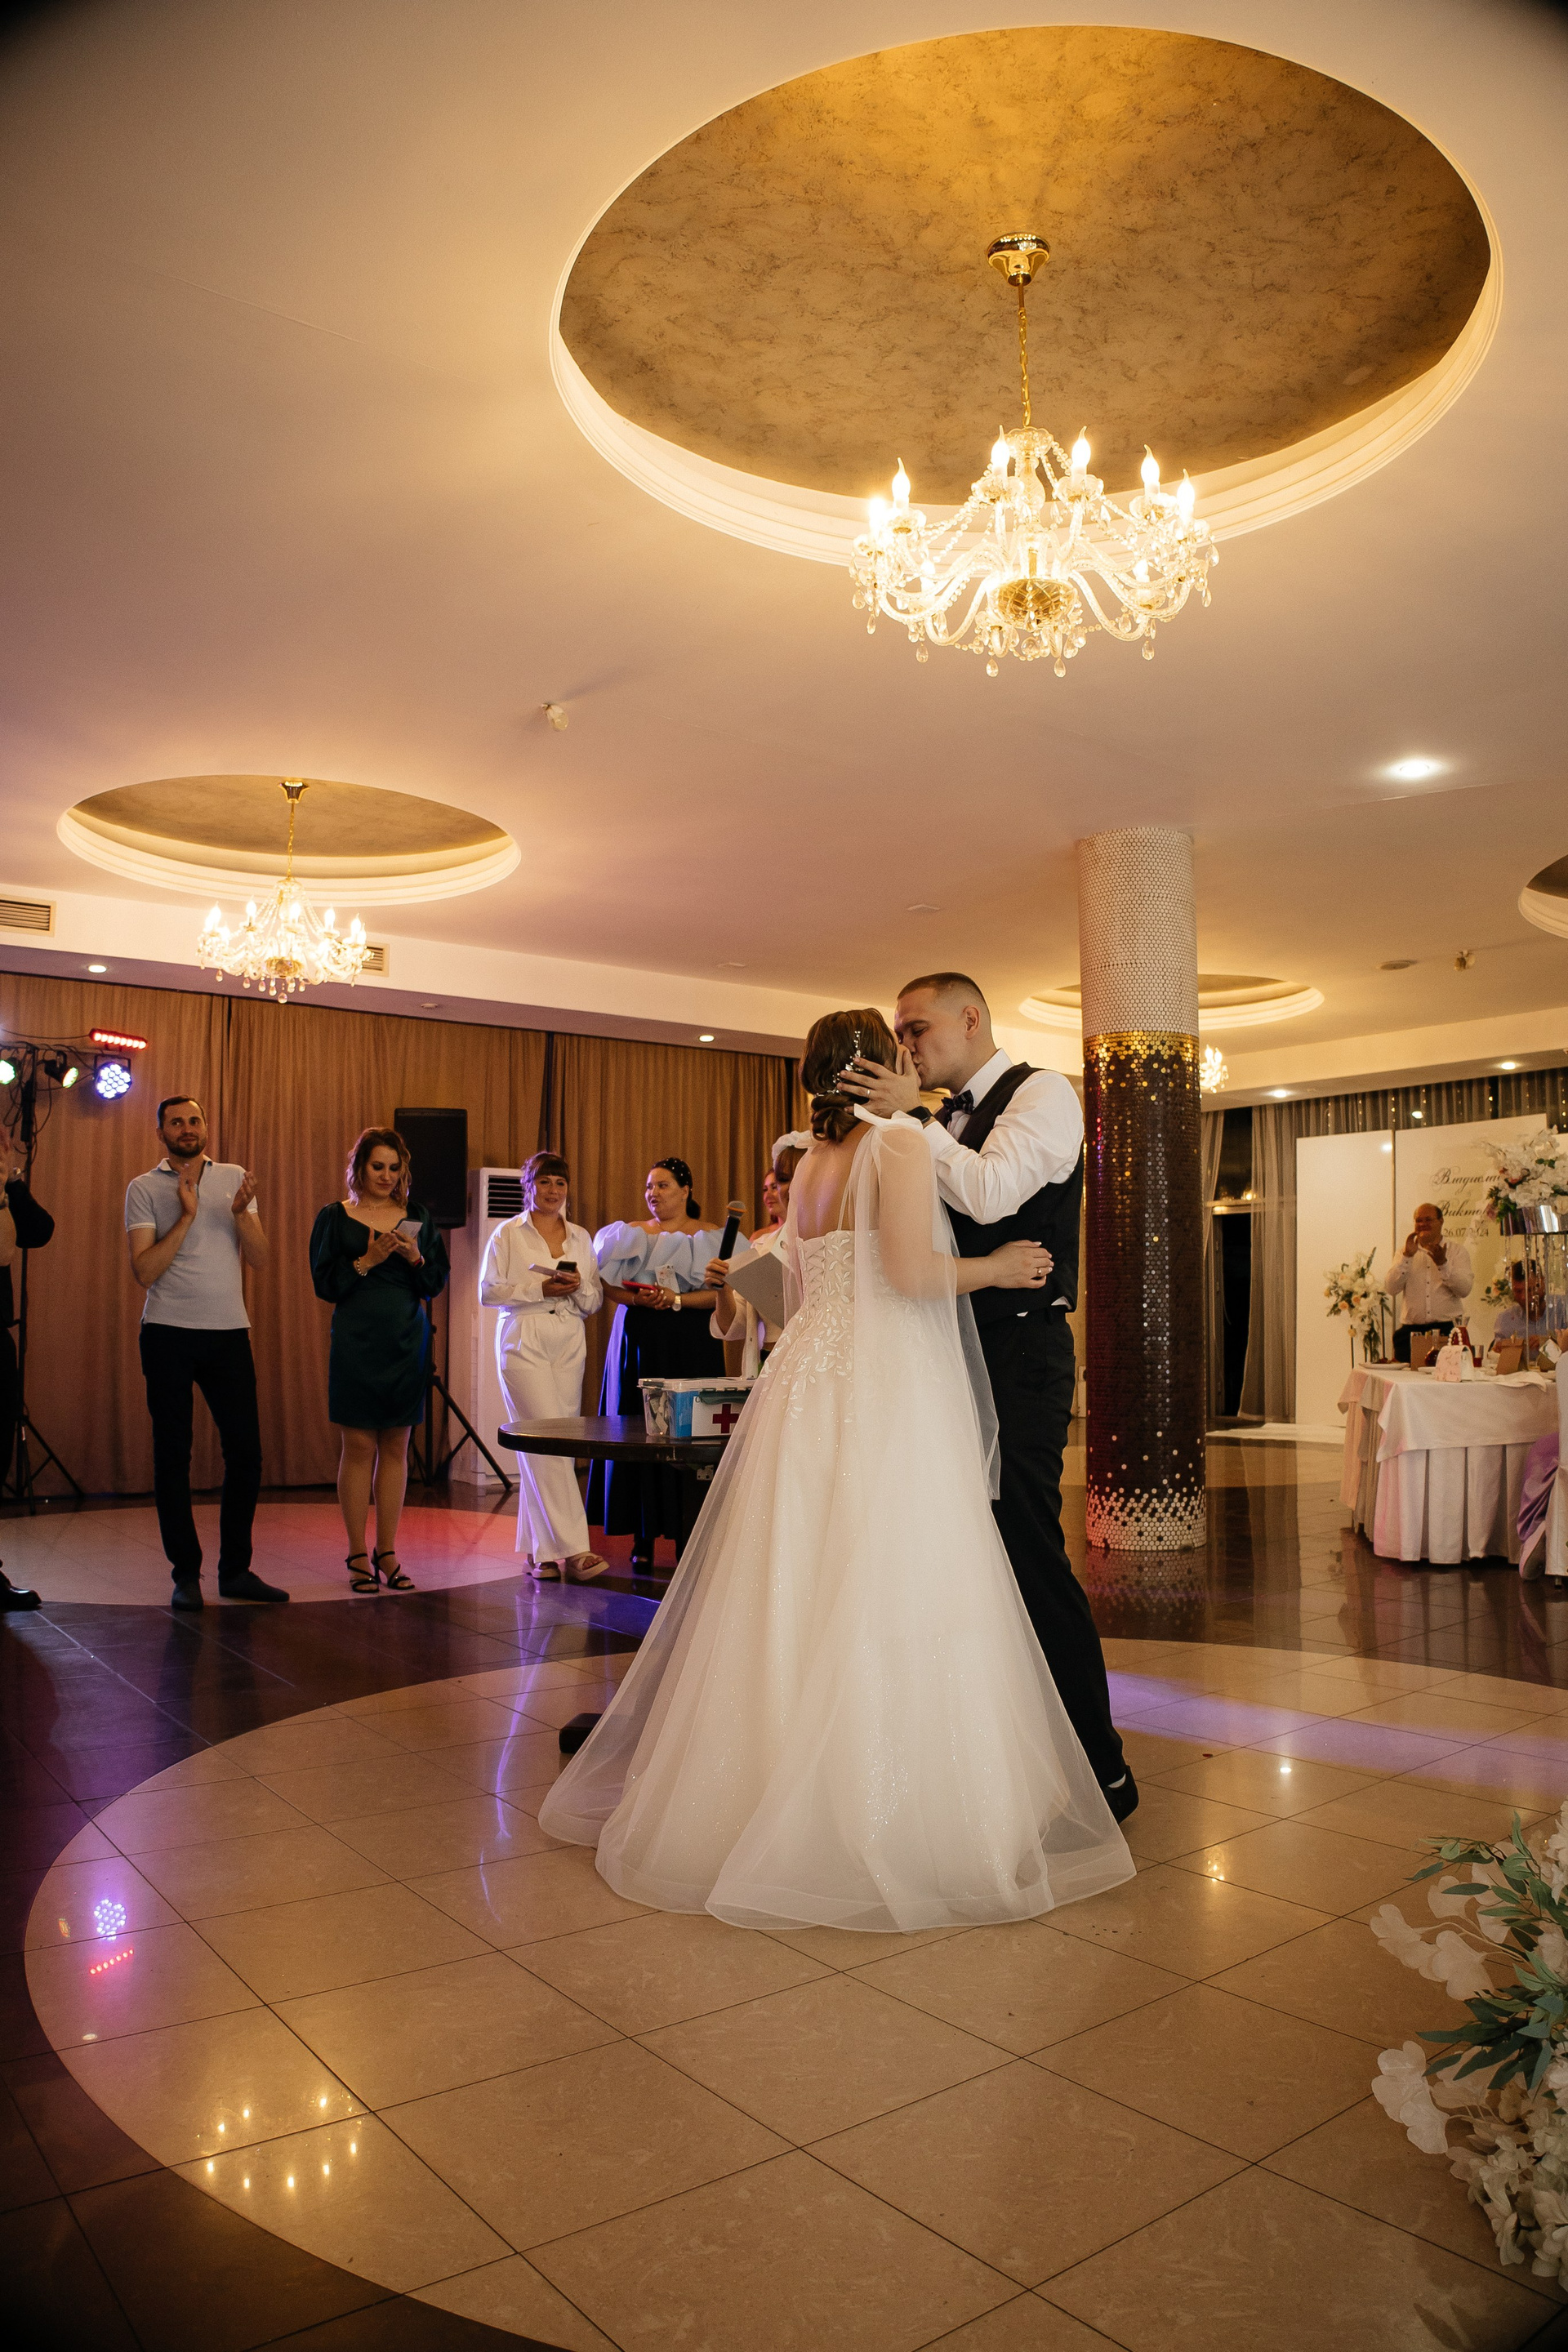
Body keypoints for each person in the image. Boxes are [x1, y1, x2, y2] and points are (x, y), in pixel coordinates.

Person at [539, 1009, 1133, 1931]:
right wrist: (998, 1266)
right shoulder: (895, 1144)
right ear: (877, 1064)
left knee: (798, 1581)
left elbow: (796, 1296)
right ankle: (887, 1804)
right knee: (893, 1575)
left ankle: (757, 1788)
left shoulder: (809, 1164)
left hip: (805, 1384)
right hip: (883, 1382)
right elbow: (912, 1275)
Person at [841, 972, 1134, 1821]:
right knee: (957, 1554)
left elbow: (991, 1193)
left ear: (970, 1018)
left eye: (916, 1028)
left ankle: (1101, 1768)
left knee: (1023, 1546)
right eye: (899, 1032)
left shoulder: (1045, 1094)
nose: (906, 1045)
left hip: (1019, 1353)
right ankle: (994, 1760)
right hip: (939, 1355)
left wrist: (915, 1121)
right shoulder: (927, 1125)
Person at [125, 1095, 286, 1610]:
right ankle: (185, 1575)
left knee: (246, 1454)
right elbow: (145, 1270)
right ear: (161, 1133)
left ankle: (235, 1570)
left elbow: (260, 1259)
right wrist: (187, 1216)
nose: (187, 1128)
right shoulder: (144, 1187)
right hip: (167, 1333)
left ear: (206, 1127)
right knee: (173, 1456)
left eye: (194, 1120)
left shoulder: (234, 1178)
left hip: (228, 1333)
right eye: (176, 1122)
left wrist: (240, 1215)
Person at [310, 1128, 449, 1595]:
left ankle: (386, 1550)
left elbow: (434, 1283)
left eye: (394, 1168)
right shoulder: (335, 1216)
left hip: (406, 1340)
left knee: (396, 1445)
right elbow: (325, 1284)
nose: (386, 1176)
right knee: (358, 1446)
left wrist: (415, 1258)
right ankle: (356, 1552)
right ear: (360, 1168)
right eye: (377, 1167)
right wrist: (366, 1260)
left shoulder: (419, 1217)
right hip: (357, 1340)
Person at [588, 1158, 726, 1569]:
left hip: (691, 1337)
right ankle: (641, 1534)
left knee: (687, 1431)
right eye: (649, 1186)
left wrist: (677, 1299)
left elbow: (722, 1292)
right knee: (638, 1426)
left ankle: (688, 1531)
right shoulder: (629, 1233)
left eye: (663, 1185)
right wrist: (636, 1298)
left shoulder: (712, 1235)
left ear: (686, 1189)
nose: (654, 1193)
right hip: (639, 1334)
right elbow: (605, 1283)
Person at [479, 1150, 606, 1582]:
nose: (553, 1190)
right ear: (528, 1186)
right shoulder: (507, 1234)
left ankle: (540, 1552)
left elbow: (594, 1300)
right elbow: (488, 1291)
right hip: (523, 1335)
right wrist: (540, 1289)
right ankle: (577, 1549)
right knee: (545, 1436)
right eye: (544, 1182)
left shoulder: (581, 1237)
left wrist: (575, 1287)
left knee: (555, 1445)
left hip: (569, 1337)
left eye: (560, 1183)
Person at [0, 1142, 53, 1607]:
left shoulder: (6, 1190)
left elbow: (38, 1232)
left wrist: (14, 1184)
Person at [709, 1135, 808, 1374]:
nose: (784, 1189)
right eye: (780, 1181)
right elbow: (732, 1327)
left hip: (814, 1362)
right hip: (771, 1366)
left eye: (788, 1179)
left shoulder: (834, 1241)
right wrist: (722, 1290)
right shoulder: (763, 1247)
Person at [1384, 1202, 1472, 1362]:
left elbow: (1464, 1290)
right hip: (1411, 1334)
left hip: (1447, 1331)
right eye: (1419, 1220)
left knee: (1448, 1377)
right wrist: (1407, 1257)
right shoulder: (1404, 1252)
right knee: (1405, 1378)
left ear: (1441, 1221)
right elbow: (1391, 1288)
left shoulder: (1457, 1251)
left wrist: (1443, 1264)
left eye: (1428, 1220)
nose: (1423, 1224)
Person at [1491, 1262, 1568, 1351]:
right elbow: (1495, 1355)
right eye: (1518, 1291)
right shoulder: (1506, 1320)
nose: (1523, 1297)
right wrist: (1501, 1350)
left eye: (1530, 1290)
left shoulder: (1564, 1307)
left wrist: (1546, 1344)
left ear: (1543, 1282)